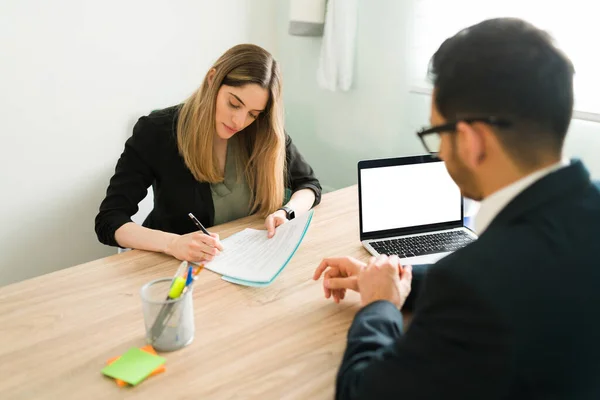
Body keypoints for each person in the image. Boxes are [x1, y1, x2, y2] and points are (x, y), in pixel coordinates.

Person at [313, 18, 600, 399]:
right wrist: (395, 277)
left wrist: (379, 305)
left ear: (469, 140)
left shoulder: (474, 285)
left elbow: (361, 393)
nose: (440, 152)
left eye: (436, 134)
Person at [96, 44, 322, 262]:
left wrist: (286, 213)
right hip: (171, 268)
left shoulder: (261, 132)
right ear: (212, 79)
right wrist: (173, 244)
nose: (240, 121)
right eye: (234, 104)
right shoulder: (156, 131)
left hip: (238, 263)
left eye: (253, 113)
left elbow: (309, 185)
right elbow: (109, 220)